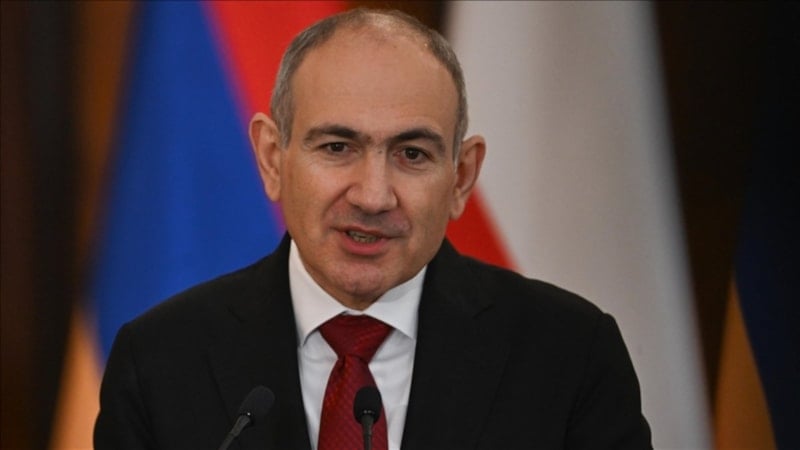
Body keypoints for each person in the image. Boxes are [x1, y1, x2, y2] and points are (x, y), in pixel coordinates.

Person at [95, 8, 651, 450]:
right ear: (271, 158)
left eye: (412, 154)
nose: (373, 196)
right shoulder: (160, 360)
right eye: (337, 147)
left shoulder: (569, 355)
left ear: (461, 177)